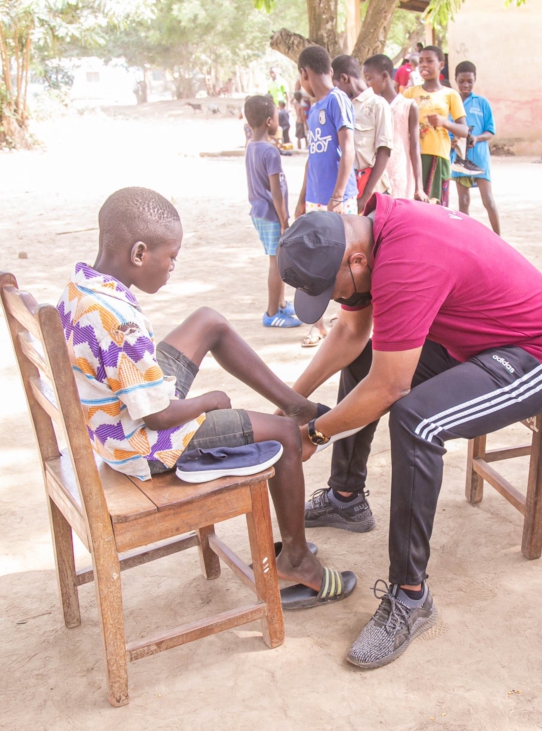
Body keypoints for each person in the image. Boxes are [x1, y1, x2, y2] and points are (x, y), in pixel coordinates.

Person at [277, 194, 542, 669]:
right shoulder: (367, 234)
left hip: (539, 353)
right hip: (477, 342)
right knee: (366, 360)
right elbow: (349, 337)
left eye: (334, 291)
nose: (336, 303)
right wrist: (288, 408)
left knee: (417, 420)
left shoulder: (404, 260)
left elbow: (390, 386)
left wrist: (313, 435)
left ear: (355, 261)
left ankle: (410, 596)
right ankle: (346, 499)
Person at [56, 187, 355, 606]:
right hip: (141, 443)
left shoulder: (81, 288)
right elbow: (158, 417)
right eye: (171, 256)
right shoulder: (118, 323)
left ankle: (296, 402)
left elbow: (133, 381)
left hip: (122, 412)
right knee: (287, 435)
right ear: (139, 253)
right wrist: (207, 400)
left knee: (208, 322)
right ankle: (298, 561)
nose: (174, 266)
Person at [244, 95, 301, 329]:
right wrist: (284, 219)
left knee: (277, 259)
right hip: (270, 214)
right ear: (269, 121)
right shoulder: (270, 152)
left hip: (259, 211)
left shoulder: (252, 147)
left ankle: (280, 304)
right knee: (276, 263)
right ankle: (271, 313)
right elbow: (276, 192)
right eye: (278, 117)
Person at [294, 45, 358, 216]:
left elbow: (349, 149)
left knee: (343, 242)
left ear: (304, 73)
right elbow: (312, 157)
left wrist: (337, 196)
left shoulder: (337, 100)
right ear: (330, 71)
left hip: (338, 200)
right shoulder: (314, 110)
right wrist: (302, 199)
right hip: (314, 199)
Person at [403, 46, 468, 206]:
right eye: (421, 61)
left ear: (440, 65)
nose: (424, 65)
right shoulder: (410, 93)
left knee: (436, 205)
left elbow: (464, 130)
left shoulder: (450, 94)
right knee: (414, 204)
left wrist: (444, 122)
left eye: (429, 61)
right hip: (413, 155)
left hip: (438, 156)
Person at [332, 54, 393, 212]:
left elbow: (384, 151)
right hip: (351, 190)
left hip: (373, 192)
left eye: (335, 85)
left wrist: (366, 196)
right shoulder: (343, 106)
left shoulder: (378, 105)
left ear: (345, 79)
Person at [363, 54, 426, 203]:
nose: (367, 84)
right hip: (376, 177)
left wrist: (419, 186)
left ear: (385, 76)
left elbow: (415, 147)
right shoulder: (370, 107)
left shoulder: (408, 106)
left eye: (369, 78)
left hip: (400, 175)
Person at [452, 61, 501, 234]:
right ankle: (466, 238)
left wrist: (477, 138)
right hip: (459, 158)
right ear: (455, 79)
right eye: (462, 81)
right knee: (463, 201)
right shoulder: (452, 102)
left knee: (488, 200)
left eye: (469, 81)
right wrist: (453, 141)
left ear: (475, 80)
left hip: (480, 158)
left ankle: (498, 238)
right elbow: (449, 130)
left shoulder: (482, 103)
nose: (466, 85)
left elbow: (490, 131)